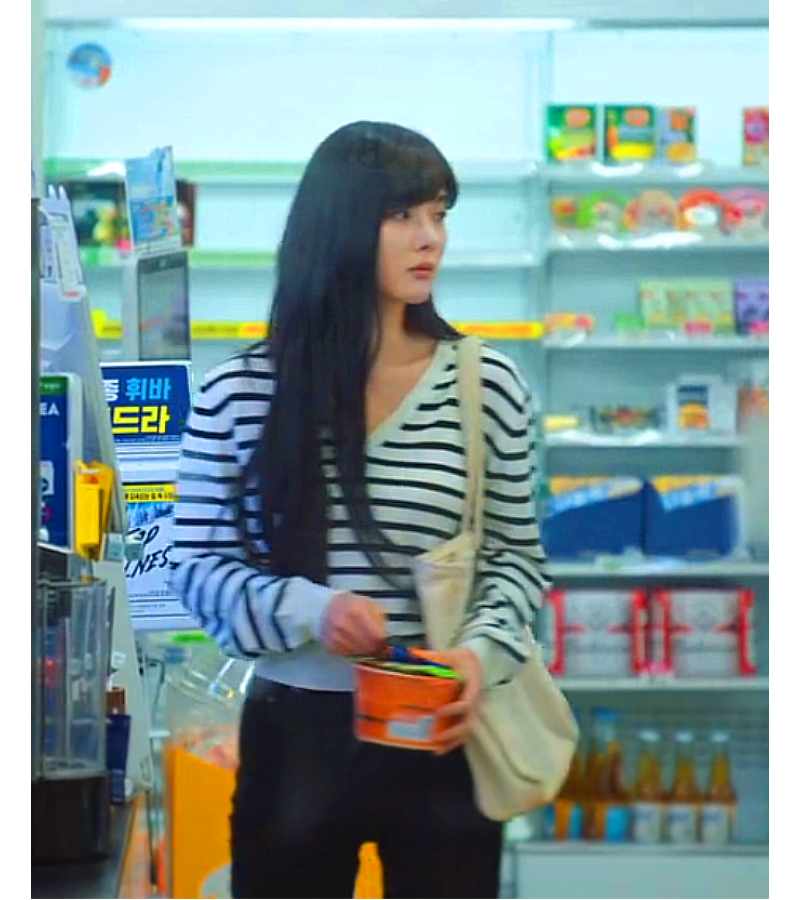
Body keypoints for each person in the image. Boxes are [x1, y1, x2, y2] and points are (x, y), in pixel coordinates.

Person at [170, 120, 551, 899]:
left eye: (439, 213)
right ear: (338, 226)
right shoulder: (241, 392)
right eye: (401, 214)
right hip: (295, 732)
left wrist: (477, 656)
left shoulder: (486, 384)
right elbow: (197, 569)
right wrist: (314, 609)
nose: (430, 237)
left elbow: (515, 560)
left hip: (442, 729)